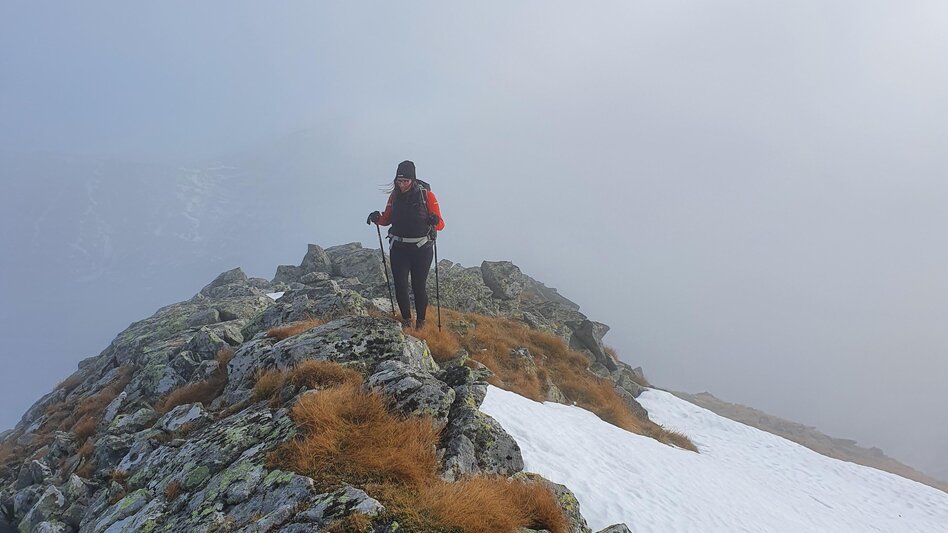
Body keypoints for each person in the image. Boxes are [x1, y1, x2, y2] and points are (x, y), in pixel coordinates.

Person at [367, 160, 445, 329]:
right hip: (399, 248)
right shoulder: (394, 196)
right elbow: (386, 219)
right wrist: (376, 218)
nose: (401, 185)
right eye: (399, 181)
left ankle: (421, 324)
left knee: (418, 286)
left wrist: (434, 220)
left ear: (413, 179)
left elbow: (441, 224)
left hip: (422, 249)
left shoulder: (427, 196)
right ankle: (407, 322)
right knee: (400, 285)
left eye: (405, 181)